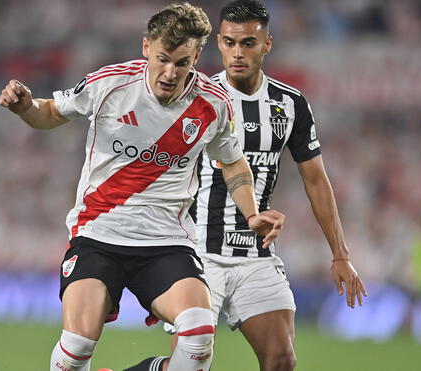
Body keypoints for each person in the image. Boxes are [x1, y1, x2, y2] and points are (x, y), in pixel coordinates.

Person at [0, 3, 285, 371]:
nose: (170, 73)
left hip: (167, 242)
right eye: (163, 58)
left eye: (182, 63)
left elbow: (231, 160)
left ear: (197, 56)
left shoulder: (213, 104)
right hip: (99, 235)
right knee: (74, 350)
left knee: (198, 339)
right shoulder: (110, 84)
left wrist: (252, 213)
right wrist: (26, 107)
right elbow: (51, 112)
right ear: (146, 47)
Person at [124, 1, 367, 371]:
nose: (238, 53)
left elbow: (316, 181)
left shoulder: (291, 104)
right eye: (229, 42)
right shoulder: (192, 96)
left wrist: (340, 254)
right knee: (190, 365)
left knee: (282, 360)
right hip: (195, 254)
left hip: (256, 254)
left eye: (249, 43)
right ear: (218, 44)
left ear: (267, 44)